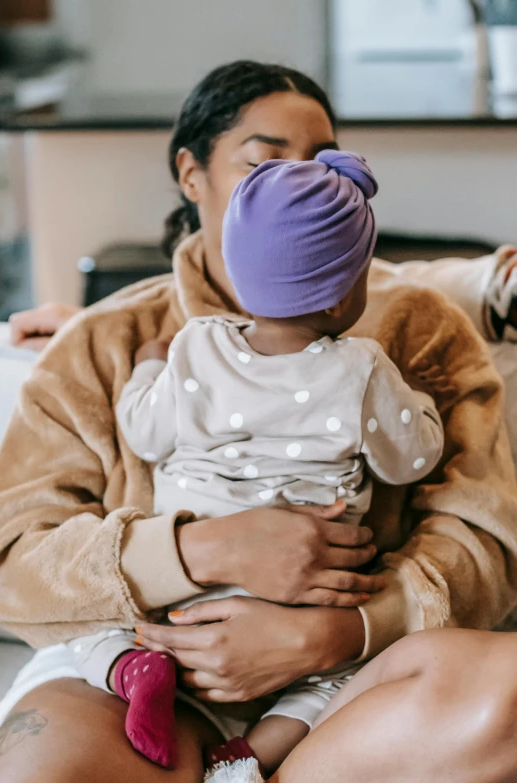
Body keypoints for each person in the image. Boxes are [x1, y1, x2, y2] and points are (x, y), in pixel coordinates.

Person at [0, 61, 517, 783]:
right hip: (154, 666)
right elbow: (13, 558)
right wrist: (199, 552)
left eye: (319, 164)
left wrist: (343, 627)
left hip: (354, 676)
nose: (298, 188)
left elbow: (487, 537)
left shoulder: (413, 326)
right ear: (191, 174)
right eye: (266, 161)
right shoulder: (110, 339)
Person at [67, 150, 443, 778]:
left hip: (183, 601)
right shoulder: (363, 368)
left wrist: (149, 366)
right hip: (308, 601)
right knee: (337, 684)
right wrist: (419, 401)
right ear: (344, 295)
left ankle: (134, 668)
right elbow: (413, 459)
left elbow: (142, 429)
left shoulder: (193, 346)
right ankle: (243, 761)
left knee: (87, 631)